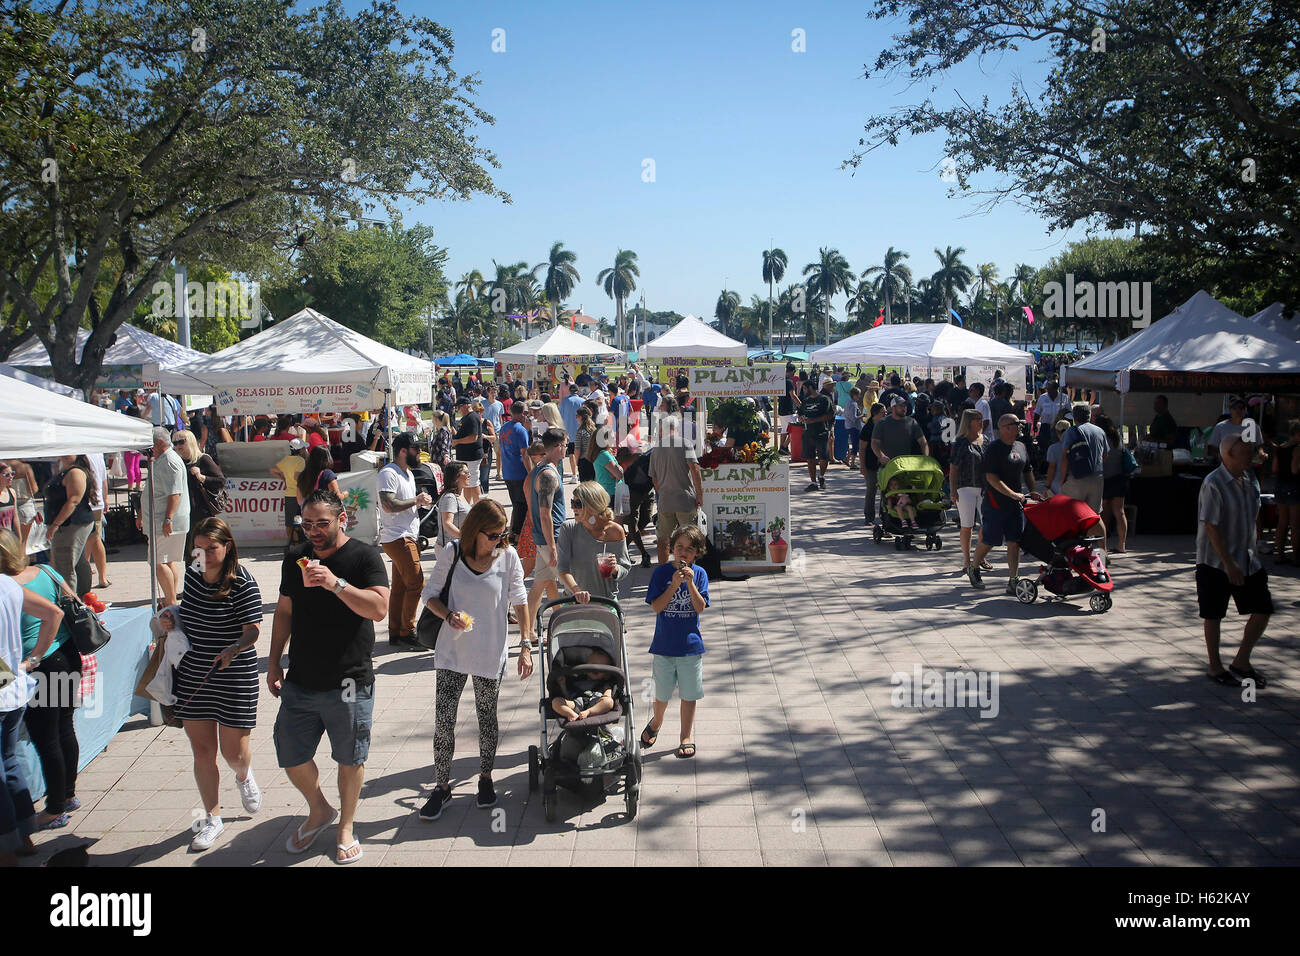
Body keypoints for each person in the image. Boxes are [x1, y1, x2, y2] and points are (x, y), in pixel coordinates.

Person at [268, 490, 390, 864]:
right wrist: (274, 661)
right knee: (289, 754)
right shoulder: (295, 558)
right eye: (307, 524)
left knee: (350, 758)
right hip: (302, 676)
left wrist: (335, 583)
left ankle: (346, 826)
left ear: (342, 520)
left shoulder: (364, 556)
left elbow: (380, 609)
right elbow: (284, 612)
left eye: (322, 523)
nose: (314, 531)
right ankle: (320, 809)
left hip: (350, 677)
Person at [418, 500, 533, 820]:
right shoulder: (452, 553)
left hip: (489, 653)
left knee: (487, 718)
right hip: (451, 653)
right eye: (493, 535)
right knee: (444, 723)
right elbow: (429, 594)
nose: (499, 540)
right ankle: (441, 788)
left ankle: (485, 778)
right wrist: (448, 613)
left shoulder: (508, 557)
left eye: (503, 533)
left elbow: (520, 601)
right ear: (475, 531)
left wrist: (525, 644)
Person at [154, 517, 263, 851]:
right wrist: (172, 615)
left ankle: (244, 775)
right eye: (197, 548)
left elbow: (254, 629)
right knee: (202, 752)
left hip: (234, 675)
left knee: (233, 753)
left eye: (211, 548)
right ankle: (212, 818)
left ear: (227, 546)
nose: (203, 555)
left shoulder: (242, 581)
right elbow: (188, 610)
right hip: (196, 673)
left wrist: (233, 648)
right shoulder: (193, 571)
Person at [2, 530, 78, 831]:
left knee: (47, 740)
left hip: (43, 664)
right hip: (69, 655)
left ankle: (56, 807)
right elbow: (73, 602)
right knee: (64, 729)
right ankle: (68, 796)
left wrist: (32, 658)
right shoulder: (46, 570)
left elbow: (55, 613)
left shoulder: (9, 585)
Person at [1, 559, 64, 865]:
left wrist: (33, 659)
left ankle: (8, 845)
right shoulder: (9, 585)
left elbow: (55, 613)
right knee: (9, 763)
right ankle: (23, 836)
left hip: (8, 687)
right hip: (12, 689)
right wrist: (30, 661)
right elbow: (54, 612)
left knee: (4, 769)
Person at [1197, 436, 1271, 688]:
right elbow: (1211, 525)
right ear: (1228, 455)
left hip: (1248, 558)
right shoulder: (1214, 483)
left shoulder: (1250, 480)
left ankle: (1241, 661)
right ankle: (1214, 666)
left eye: (1252, 453)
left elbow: (1255, 515)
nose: (1251, 458)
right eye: (1245, 453)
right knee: (1214, 613)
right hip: (1215, 561)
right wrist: (1228, 563)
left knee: (1262, 609)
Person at [639, 525, 709, 760]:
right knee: (662, 694)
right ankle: (657, 722)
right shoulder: (660, 574)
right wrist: (674, 585)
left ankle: (685, 736)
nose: (683, 553)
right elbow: (657, 607)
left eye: (689, 549)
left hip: (690, 647)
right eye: (679, 547)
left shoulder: (699, 574)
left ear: (697, 553)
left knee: (689, 695)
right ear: (672, 548)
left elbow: (700, 608)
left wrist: (689, 584)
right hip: (664, 645)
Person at [967, 414, 1043, 593]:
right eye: (1016, 424)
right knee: (990, 540)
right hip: (995, 502)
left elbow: (1028, 470)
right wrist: (1012, 494)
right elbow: (991, 478)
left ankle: (1013, 579)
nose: (1019, 427)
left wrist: (1032, 490)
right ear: (1005, 428)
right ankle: (974, 567)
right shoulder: (994, 449)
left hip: (1015, 504)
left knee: (1014, 541)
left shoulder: (1021, 446)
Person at [377, 433, 433, 652]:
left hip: (406, 534)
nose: (419, 453)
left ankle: (396, 632)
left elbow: (402, 503)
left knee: (401, 586)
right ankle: (407, 632)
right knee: (417, 583)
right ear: (403, 450)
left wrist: (418, 502)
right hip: (397, 537)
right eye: (415, 449)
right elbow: (389, 504)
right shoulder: (388, 474)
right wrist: (416, 500)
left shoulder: (407, 473)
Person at [137, 428, 190, 609]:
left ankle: (170, 601)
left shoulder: (169, 461)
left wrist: (168, 519)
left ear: (159, 443)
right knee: (167, 561)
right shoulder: (164, 460)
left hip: (165, 520)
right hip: (163, 519)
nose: (150, 449)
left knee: (158, 562)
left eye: (151, 445)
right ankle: (171, 597)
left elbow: (175, 493)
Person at [649, 394, 704, 565]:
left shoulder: (656, 449)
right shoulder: (685, 444)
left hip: (665, 500)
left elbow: (654, 478)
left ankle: (663, 570)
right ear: (677, 428)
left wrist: (663, 492)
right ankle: (688, 570)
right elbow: (695, 471)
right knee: (690, 540)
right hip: (684, 500)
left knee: (663, 539)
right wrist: (699, 494)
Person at [558, 481, 632, 603]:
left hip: (606, 602)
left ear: (593, 506)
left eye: (578, 504)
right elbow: (562, 569)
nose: (572, 507)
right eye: (572, 502)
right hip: (574, 601)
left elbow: (624, 567)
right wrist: (577, 591)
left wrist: (614, 569)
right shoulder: (568, 528)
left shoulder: (615, 531)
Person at [526, 428, 568, 627]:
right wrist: (552, 547)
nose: (567, 449)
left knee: (539, 584)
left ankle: (529, 630)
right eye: (566, 445)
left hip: (545, 537)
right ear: (558, 447)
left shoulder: (542, 468)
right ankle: (574, 621)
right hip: (552, 538)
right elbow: (545, 514)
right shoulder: (548, 475)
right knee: (571, 581)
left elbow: (527, 487)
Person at [44, 454, 97, 597]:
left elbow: (74, 500)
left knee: (65, 564)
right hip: (68, 524)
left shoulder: (75, 472)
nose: (65, 454)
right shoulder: (64, 470)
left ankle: (70, 604)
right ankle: (81, 599)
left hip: (72, 524)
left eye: (69, 451)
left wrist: (55, 525)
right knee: (76, 562)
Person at [174, 429, 226, 564]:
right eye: (175, 442)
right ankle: (193, 579)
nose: (177, 445)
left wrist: (202, 477)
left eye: (181, 442)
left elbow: (220, 481)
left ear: (190, 442)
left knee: (202, 550)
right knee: (190, 554)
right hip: (184, 512)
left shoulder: (203, 459)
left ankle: (205, 578)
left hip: (200, 512)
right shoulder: (177, 462)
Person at [948, 408, 991, 573]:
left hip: (984, 488)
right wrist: (953, 490)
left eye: (981, 419)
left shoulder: (985, 440)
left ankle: (980, 557)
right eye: (977, 420)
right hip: (965, 487)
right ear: (969, 422)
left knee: (986, 525)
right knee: (967, 525)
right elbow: (954, 468)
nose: (980, 422)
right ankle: (967, 560)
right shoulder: (960, 442)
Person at [1059, 404, 1110, 519]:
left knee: (1073, 513)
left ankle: (1077, 537)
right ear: (1090, 416)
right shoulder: (1100, 431)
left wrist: (1062, 481)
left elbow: (1064, 458)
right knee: (1094, 515)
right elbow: (1105, 455)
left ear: (1074, 417)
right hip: (1097, 477)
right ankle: (1100, 536)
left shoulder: (1071, 432)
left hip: (1076, 476)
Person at [550, 648, 616, 722]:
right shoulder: (576, 678)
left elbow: (608, 695)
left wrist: (606, 697)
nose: (595, 669)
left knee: (609, 702)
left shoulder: (605, 683)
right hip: (576, 703)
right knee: (555, 702)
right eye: (592, 665)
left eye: (600, 668)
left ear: (606, 674)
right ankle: (570, 713)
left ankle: (589, 712)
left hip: (596, 704)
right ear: (586, 665)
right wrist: (562, 685)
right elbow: (567, 695)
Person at [499, 402, 532, 543]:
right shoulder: (520, 430)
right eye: (525, 413)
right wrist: (531, 472)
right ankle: (516, 535)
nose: (527, 415)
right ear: (519, 414)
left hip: (508, 471)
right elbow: (525, 454)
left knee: (516, 504)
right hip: (519, 472)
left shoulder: (504, 427)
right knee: (522, 505)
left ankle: (513, 531)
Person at [618, 447, 655, 567]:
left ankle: (622, 549)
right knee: (632, 523)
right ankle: (644, 554)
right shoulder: (655, 452)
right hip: (633, 489)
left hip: (647, 488)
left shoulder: (660, 451)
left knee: (646, 519)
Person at [1101, 422, 1134, 554]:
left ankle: (1101, 545)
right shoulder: (1118, 441)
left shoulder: (1103, 441)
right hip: (1119, 479)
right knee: (1119, 513)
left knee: (1103, 513)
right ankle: (1122, 544)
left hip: (1106, 479)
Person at [798, 379, 835, 491]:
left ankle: (821, 476)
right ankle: (813, 482)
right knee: (810, 458)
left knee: (824, 458)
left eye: (805, 388)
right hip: (808, 433)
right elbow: (800, 413)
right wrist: (801, 418)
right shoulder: (805, 400)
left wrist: (813, 420)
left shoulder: (824, 399)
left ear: (810, 388)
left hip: (821, 432)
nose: (803, 391)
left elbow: (829, 415)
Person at [871, 395, 928, 466]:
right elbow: (874, 443)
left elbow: (923, 442)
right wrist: (881, 456)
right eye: (901, 406)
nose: (904, 408)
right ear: (893, 407)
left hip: (906, 465)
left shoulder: (911, 422)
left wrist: (925, 458)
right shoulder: (882, 423)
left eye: (905, 406)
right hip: (887, 465)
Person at [81, 452, 111, 589]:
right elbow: (104, 478)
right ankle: (100, 576)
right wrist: (105, 499)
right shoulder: (98, 452)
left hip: (86, 500)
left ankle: (86, 574)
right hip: (96, 500)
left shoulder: (82, 454)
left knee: (89, 539)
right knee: (94, 538)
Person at [270, 438, 307, 543]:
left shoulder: (286, 459)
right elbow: (297, 477)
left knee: (289, 522)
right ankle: (301, 543)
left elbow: (272, 470)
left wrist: (284, 479)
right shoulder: (301, 461)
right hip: (299, 494)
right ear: (300, 450)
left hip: (288, 494)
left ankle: (290, 543)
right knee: (301, 520)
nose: (305, 449)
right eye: (303, 448)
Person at [858, 402, 886, 529]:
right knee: (871, 491)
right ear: (875, 414)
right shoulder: (868, 428)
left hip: (884, 464)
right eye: (883, 412)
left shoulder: (885, 426)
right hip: (870, 464)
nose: (885, 413)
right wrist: (862, 466)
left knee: (886, 491)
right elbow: (862, 448)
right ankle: (869, 517)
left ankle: (886, 516)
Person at [452, 396, 484, 505]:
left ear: (466, 406)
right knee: (467, 482)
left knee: (474, 482)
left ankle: (478, 506)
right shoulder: (466, 417)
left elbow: (473, 437)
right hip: (466, 456)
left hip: (472, 455)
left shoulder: (472, 417)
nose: (458, 410)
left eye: (459, 407)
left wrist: (458, 442)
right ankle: (468, 505)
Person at [436, 461, 473, 549]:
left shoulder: (460, 495)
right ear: (456, 477)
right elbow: (447, 523)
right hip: (450, 549)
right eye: (466, 472)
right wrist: (465, 538)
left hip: (459, 545)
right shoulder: (449, 498)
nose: (470, 475)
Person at [560, 383, 585, 479]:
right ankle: (580, 472)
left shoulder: (564, 401)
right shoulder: (582, 401)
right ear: (578, 391)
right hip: (580, 431)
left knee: (571, 454)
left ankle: (574, 474)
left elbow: (561, 416)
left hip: (568, 431)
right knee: (581, 454)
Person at [590, 426, 622, 499]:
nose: (615, 439)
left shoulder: (602, 453)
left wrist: (616, 470)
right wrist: (619, 468)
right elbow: (619, 475)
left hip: (607, 491)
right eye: (612, 437)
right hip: (610, 492)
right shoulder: (604, 455)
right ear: (605, 439)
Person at [482, 385, 505, 481]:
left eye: (495, 392)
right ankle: (483, 474)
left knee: (499, 453)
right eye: (492, 392)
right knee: (484, 453)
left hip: (497, 430)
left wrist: (502, 428)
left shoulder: (499, 404)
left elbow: (500, 418)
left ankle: (499, 473)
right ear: (488, 393)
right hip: (486, 431)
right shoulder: (483, 403)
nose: (494, 394)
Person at [1043, 419, 1072, 497]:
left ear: (1057, 432)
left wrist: (1047, 486)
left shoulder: (1053, 448)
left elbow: (1052, 468)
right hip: (1073, 484)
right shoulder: (1075, 446)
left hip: (1056, 486)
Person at [843, 387, 862, 469]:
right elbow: (853, 418)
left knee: (854, 444)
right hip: (854, 426)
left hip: (848, 425)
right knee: (855, 445)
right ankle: (853, 463)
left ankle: (847, 458)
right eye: (858, 395)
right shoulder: (853, 404)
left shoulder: (848, 402)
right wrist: (862, 416)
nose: (859, 397)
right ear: (854, 395)